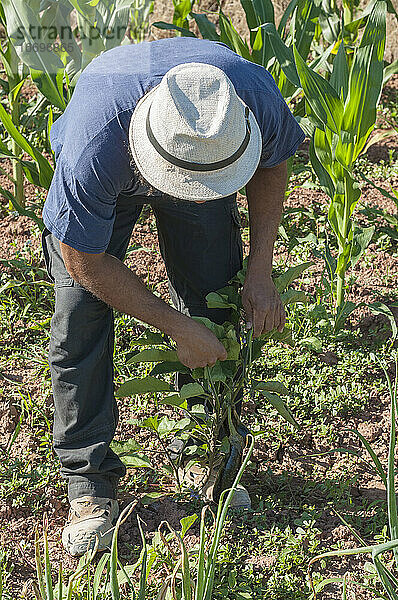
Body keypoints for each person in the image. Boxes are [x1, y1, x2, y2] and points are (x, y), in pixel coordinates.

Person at [41, 36, 305, 557]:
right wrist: (175, 328)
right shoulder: (94, 144)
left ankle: (204, 450)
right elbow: (84, 260)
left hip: (199, 146)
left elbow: (274, 164)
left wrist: (259, 272)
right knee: (79, 317)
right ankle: (88, 482)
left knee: (216, 298)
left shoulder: (249, 100)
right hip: (117, 154)